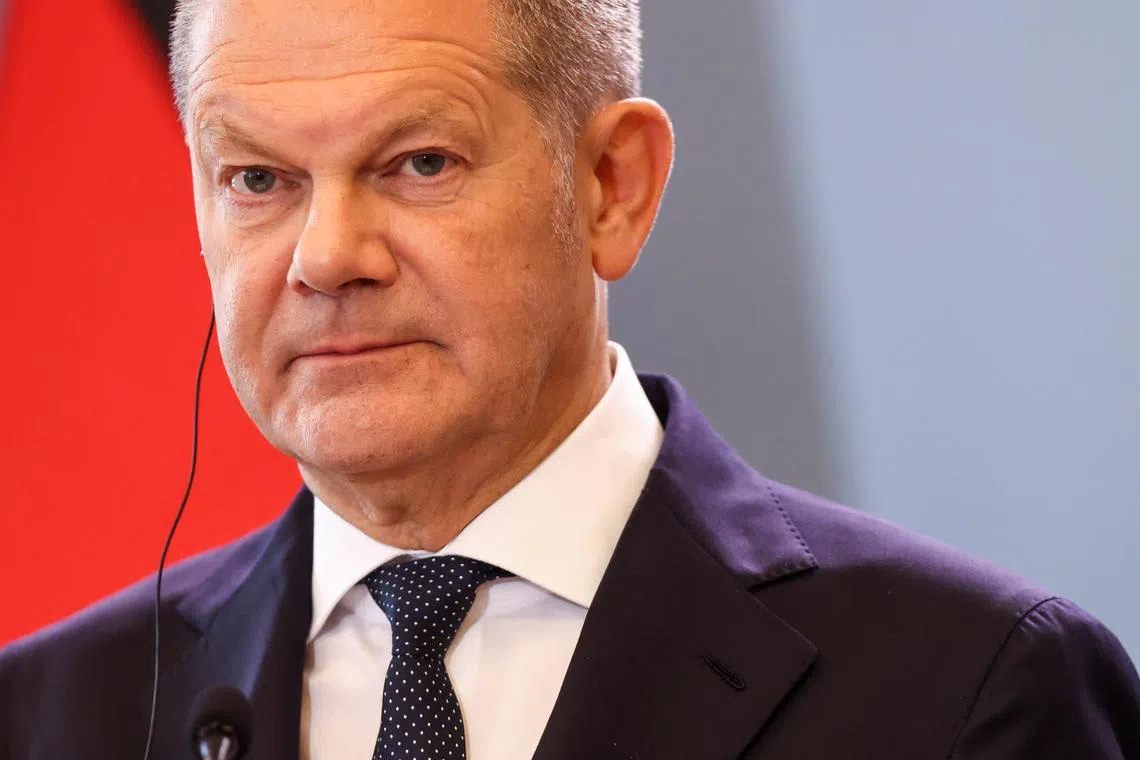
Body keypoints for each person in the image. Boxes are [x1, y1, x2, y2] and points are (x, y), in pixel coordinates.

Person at [2, 0, 1138, 757]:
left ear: (612, 186)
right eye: (258, 177)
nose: (326, 255)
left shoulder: (974, 687)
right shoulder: (46, 715)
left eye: (419, 162)